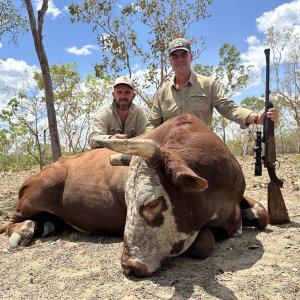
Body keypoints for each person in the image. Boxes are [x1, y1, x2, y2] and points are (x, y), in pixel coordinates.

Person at [147, 37, 278, 130]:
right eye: (174, 56)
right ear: (170, 61)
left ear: (191, 57)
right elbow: (152, 124)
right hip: (169, 150)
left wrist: (256, 118)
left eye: (183, 54)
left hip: (200, 147)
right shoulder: (161, 93)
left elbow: (229, 108)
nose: (179, 59)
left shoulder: (208, 85)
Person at [88, 76, 149, 148]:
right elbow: (92, 139)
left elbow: (146, 136)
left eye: (127, 92)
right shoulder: (104, 113)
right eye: (119, 92)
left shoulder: (139, 112)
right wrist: (110, 139)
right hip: (105, 155)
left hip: (131, 155)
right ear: (114, 95)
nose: (123, 96)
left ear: (133, 96)